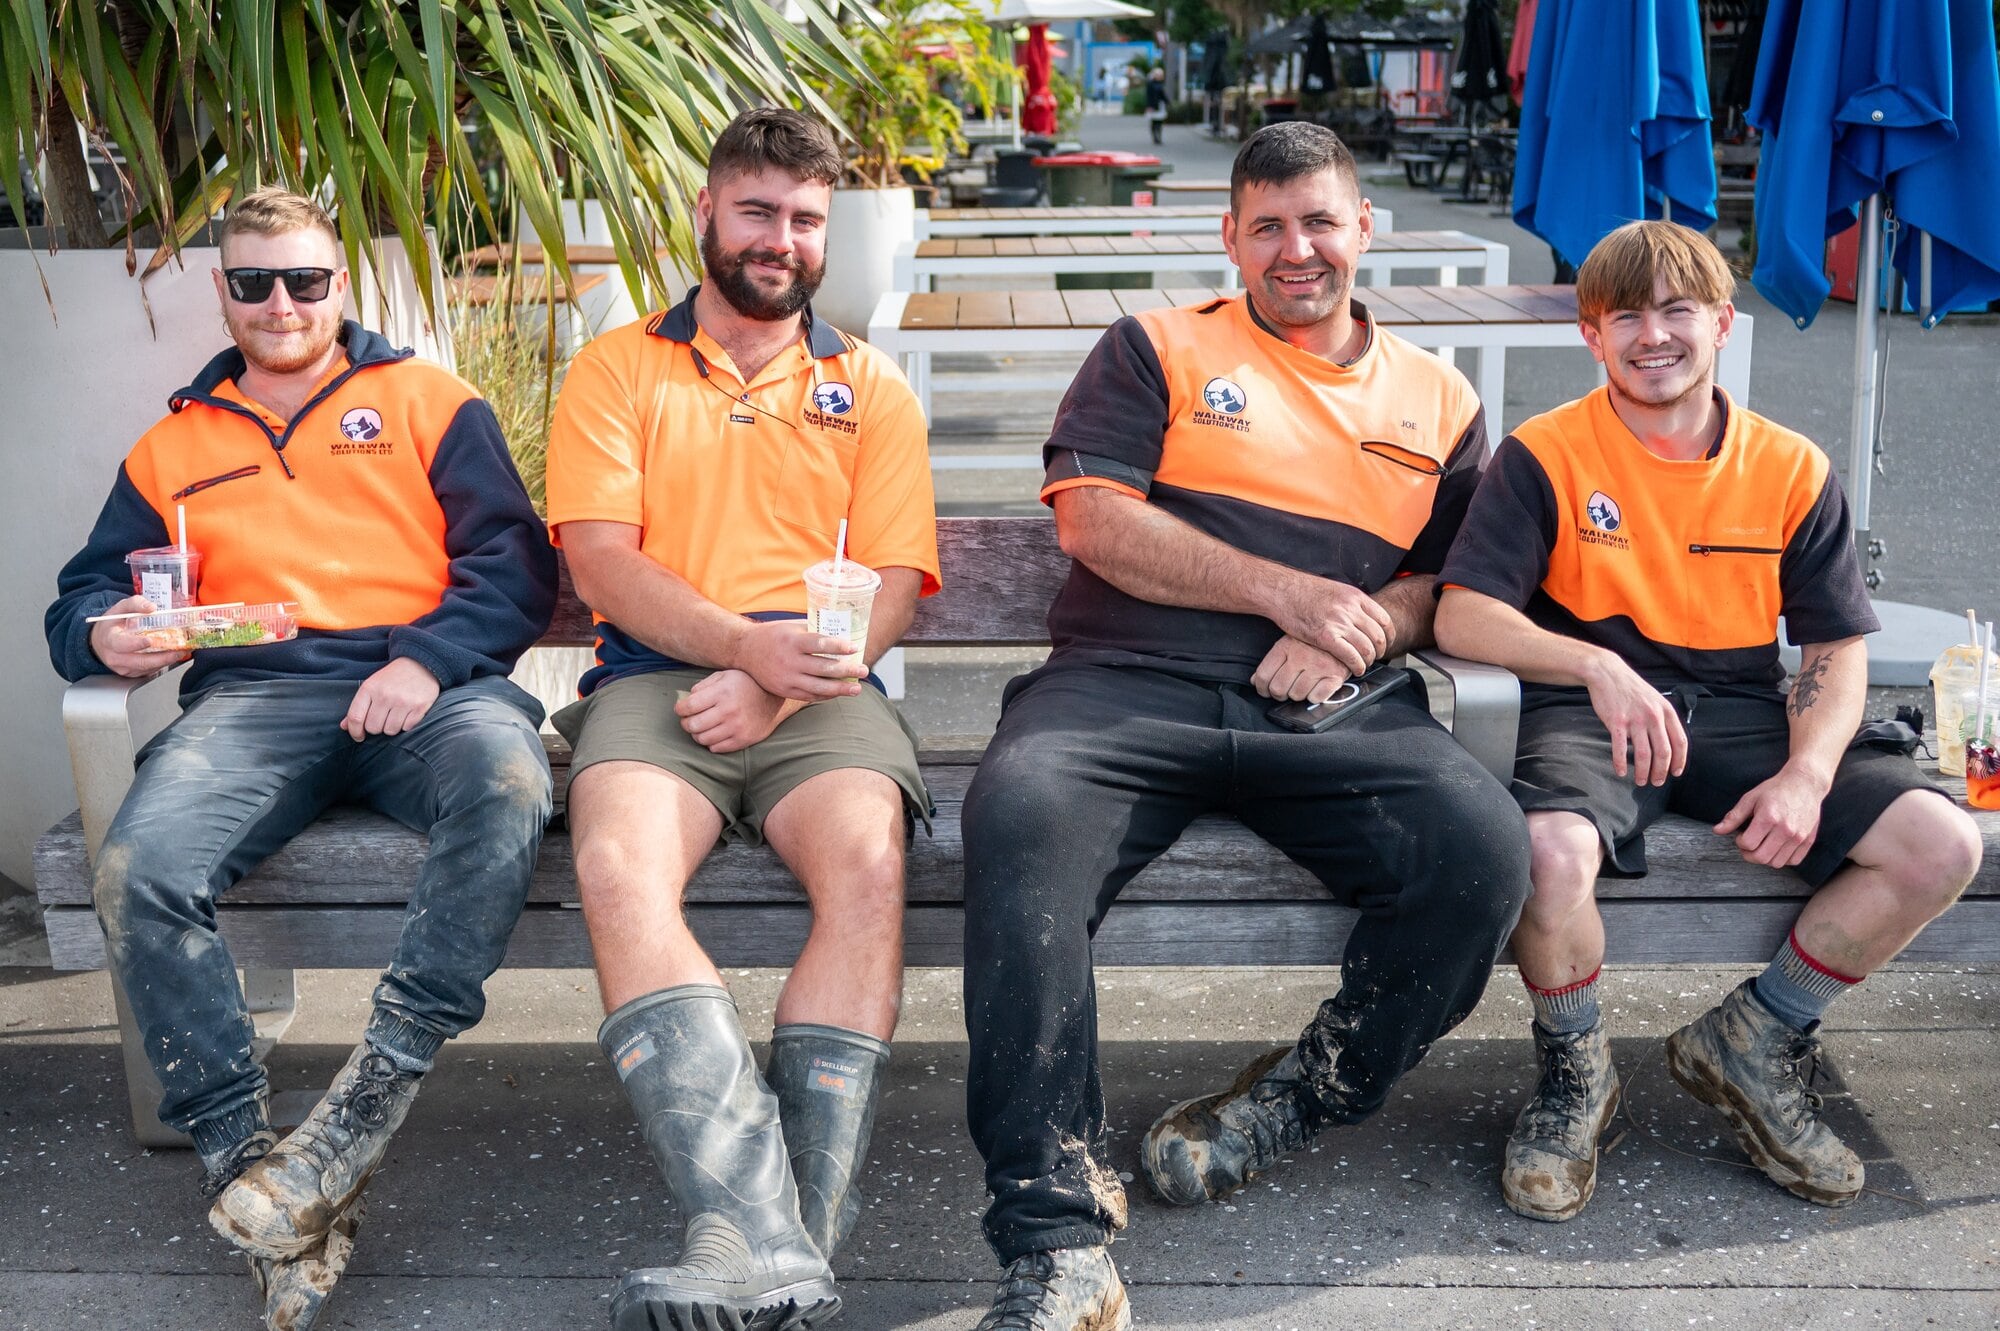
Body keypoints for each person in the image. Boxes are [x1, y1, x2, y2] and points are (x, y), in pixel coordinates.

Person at [956, 121, 1531, 1331]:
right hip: (1126, 680)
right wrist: (1280, 591)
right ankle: (1054, 1235)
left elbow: (1450, 585)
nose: (1295, 249)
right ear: (1228, 237)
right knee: (1016, 820)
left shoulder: (1437, 398)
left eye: (1319, 220)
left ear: (1363, 227)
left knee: (1480, 851)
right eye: (1265, 225)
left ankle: (1306, 1092)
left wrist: (1358, 621)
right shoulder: (1152, 347)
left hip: (1331, 705)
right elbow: (1094, 523)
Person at [44, 186, 558, 1329]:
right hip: (256, 700)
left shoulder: (427, 399)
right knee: (138, 862)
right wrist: (102, 633)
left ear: (340, 285)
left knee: (512, 778)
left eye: (306, 280)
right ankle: (247, 1160)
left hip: (426, 688)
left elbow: (513, 563)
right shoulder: (174, 443)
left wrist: (427, 658)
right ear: (222, 290)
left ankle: (360, 1108)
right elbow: (85, 588)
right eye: (253, 282)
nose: (281, 303)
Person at [1433, 220, 1983, 1223]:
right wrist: (1592, 660)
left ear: (1721, 323)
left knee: (1939, 842)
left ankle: (1757, 1034)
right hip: (1586, 705)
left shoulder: (1788, 466)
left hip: (1738, 702)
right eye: (1624, 316)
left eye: (1676, 309)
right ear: (1590, 336)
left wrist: (1808, 772)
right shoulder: (1541, 453)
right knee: (1545, 854)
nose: (1653, 334)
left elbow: (1830, 649)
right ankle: (1573, 1071)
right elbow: (1462, 611)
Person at [543, 107, 940, 1331]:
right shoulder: (615, 369)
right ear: (707, 214)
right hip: (653, 680)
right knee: (614, 862)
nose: (780, 239)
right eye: (758, 211)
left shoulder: (866, 384)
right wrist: (734, 647)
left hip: (820, 688)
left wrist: (779, 676)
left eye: (805, 220)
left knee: (868, 864)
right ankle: (778, 1238)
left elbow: (893, 585)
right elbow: (603, 562)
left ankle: (766, 1243)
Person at [1145, 68, 1170, 145]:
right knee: (1154, 122)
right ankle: (1155, 137)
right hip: (1153, 105)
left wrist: (1167, 101)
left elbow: (1163, 95)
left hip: (1160, 105)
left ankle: (1159, 136)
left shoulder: (1160, 84)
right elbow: (1148, 96)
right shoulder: (1150, 84)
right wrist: (1149, 106)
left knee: (1159, 122)